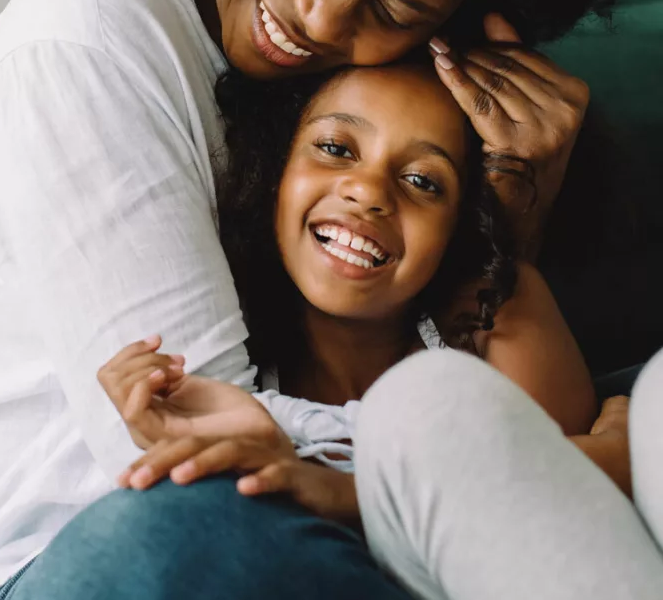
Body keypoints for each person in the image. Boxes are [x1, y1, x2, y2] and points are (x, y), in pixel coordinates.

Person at [0, 0, 652, 599]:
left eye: (392, 11)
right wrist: (580, 462)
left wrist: (506, 218)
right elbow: (210, 446)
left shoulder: (337, 86)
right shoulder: (88, 33)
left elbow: (444, 369)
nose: (320, 18)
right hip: (111, 547)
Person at [98, 61, 663, 600]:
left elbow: (556, 514)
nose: (368, 191)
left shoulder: (489, 314)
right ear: (274, 169)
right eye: (336, 149)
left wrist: (617, 457)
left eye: (423, 180)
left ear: (460, 228)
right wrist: (613, 451)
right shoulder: (234, 354)